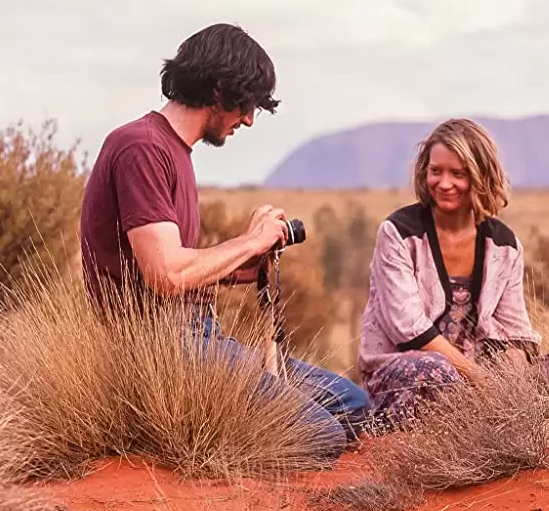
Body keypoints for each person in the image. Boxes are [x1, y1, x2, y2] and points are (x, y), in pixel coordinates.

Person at [79, 23, 372, 459]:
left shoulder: (174, 150)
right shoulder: (141, 147)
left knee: (353, 406)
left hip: (201, 337)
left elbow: (179, 265)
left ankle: (238, 423)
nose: (249, 119)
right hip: (162, 347)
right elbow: (166, 274)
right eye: (247, 103)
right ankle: (202, 452)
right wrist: (250, 241)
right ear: (219, 90)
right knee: (321, 436)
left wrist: (250, 267)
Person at [357, 118, 541, 428]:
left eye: (458, 174)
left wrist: (514, 373)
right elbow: (408, 329)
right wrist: (480, 379)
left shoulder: (505, 246)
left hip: (475, 371)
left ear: (481, 177)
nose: (444, 183)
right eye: (436, 171)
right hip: (407, 370)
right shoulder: (398, 233)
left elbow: (515, 330)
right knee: (436, 373)